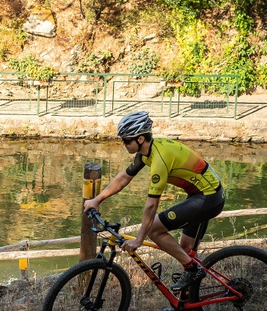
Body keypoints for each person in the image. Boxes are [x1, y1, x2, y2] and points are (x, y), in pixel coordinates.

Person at [83, 110, 225, 293]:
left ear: (140, 139)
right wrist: (97, 199)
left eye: (126, 140)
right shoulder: (146, 152)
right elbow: (124, 177)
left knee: (155, 230)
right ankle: (188, 304)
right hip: (200, 194)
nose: (123, 144)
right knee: (184, 250)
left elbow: (151, 205)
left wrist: (139, 239)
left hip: (208, 198)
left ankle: (193, 270)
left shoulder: (159, 160)